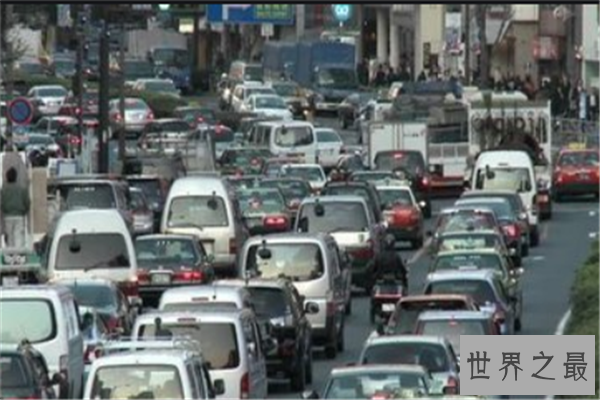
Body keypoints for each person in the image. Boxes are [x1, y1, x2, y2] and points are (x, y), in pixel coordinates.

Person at [1, 168, 30, 248]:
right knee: (18, 237)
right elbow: (27, 202)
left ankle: (10, 254)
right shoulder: (22, 188)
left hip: (8, 216)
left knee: (9, 237)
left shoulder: (3, 190)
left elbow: (2, 203)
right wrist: (24, 211)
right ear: (16, 177)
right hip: (19, 215)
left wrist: (4, 211)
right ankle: (18, 253)